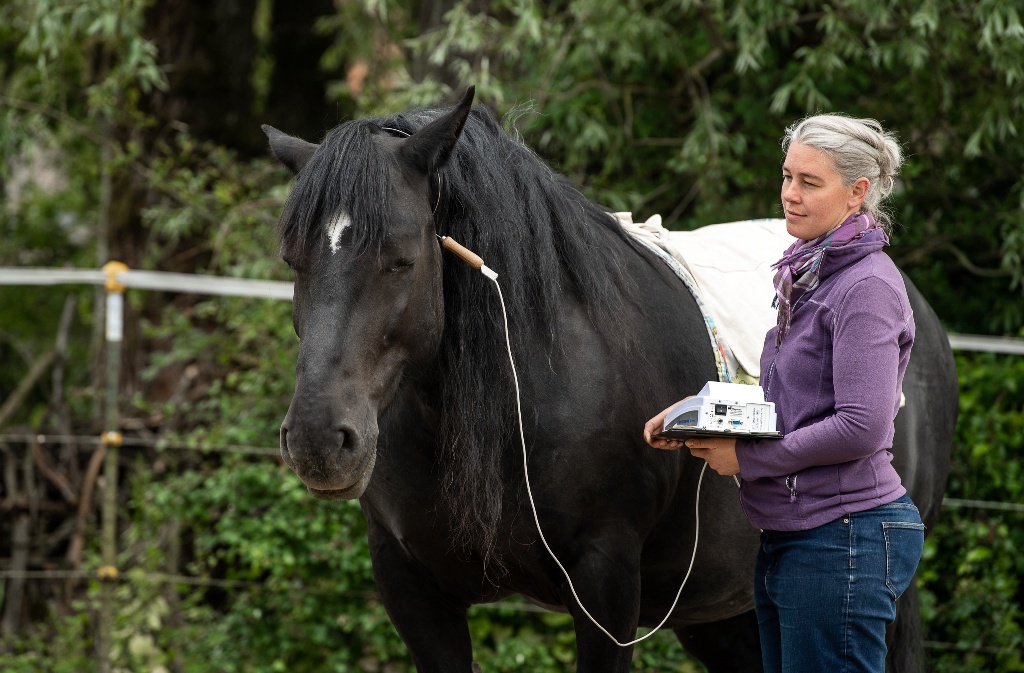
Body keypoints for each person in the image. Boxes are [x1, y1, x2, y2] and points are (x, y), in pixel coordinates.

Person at [643, 114, 925, 673]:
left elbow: (862, 426)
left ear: (857, 192)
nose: (789, 195)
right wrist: (701, 414)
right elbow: (795, 403)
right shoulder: (813, 272)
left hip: (842, 539)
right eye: (787, 176)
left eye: (809, 182)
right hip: (797, 536)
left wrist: (746, 458)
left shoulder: (865, 287)